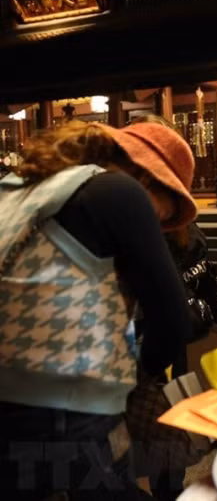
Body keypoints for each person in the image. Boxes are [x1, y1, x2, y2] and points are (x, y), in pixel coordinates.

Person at [0, 120, 195, 500]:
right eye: (160, 216)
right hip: (67, 416)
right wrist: (138, 372)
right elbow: (174, 324)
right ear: (147, 179)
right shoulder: (119, 191)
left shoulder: (21, 190)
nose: (156, 227)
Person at [124, 115, 217, 501]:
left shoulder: (186, 229)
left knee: (172, 446)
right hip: (131, 361)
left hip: (171, 357)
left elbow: (208, 281)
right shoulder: (118, 234)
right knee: (121, 453)